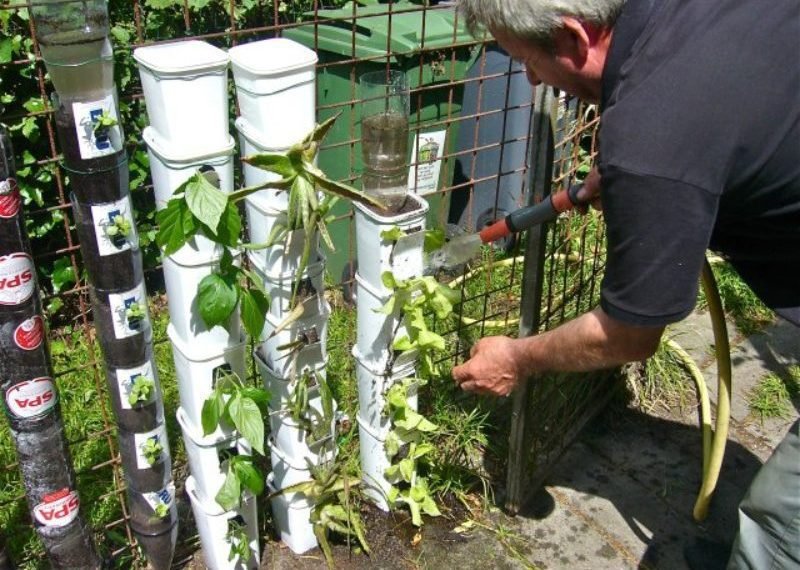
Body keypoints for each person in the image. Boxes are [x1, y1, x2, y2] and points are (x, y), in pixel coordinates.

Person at [451, 0, 800, 568]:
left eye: (528, 62)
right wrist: (644, 174)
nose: (532, 79)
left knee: (781, 526)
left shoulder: (652, 132)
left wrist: (517, 357)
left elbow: (631, 335)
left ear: (572, 38)